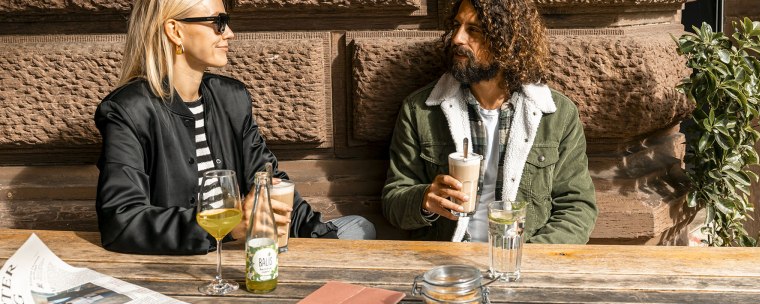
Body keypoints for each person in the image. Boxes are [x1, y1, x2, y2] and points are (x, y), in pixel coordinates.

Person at [94, 0, 375, 255]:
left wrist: (324, 243)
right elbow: (122, 221)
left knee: (358, 228)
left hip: (252, 244)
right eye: (218, 23)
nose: (229, 33)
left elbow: (266, 180)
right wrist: (228, 224)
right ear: (175, 31)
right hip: (187, 255)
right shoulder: (128, 110)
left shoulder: (231, 98)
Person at [381, 0, 597, 244]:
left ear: (508, 40)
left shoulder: (556, 114)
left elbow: (577, 207)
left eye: (474, 30)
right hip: (447, 261)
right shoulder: (420, 109)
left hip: (523, 263)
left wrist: (529, 257)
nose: (457, 39)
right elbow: (393, 203)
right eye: (456, 26)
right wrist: (424, 200)